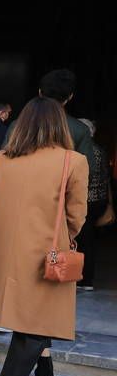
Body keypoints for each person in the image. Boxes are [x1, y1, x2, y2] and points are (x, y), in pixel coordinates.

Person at [0, 97, 88, 376]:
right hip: (48, 248)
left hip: (5, 246)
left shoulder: (3, 158)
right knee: (37, 323)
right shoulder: (73, 161)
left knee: (29, 315)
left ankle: (44, 364)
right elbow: (77, 214)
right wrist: (66, 236)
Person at [77, 118, 109, 291]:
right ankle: (83, 277)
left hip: (86, 201)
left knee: (83, 240)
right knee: (88, 239)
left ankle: (84, 278)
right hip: (99, 201)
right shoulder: (100, 150)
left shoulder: (85, 150)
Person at [37, 69, 93, 159]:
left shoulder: (17, 126)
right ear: (70, 97)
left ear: (40, 92)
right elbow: (89, 169)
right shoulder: (81, 130)